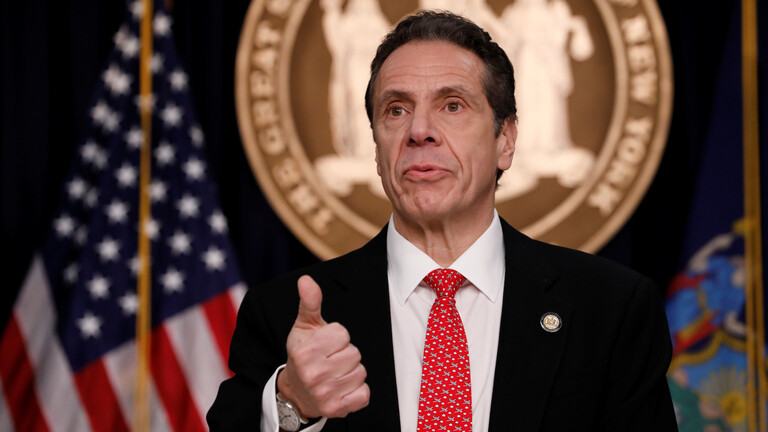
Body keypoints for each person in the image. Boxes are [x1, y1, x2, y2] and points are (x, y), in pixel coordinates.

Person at [208, 10, 677, 432]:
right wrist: (291, 404)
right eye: (396, 110)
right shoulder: (283, 314)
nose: (419, 131)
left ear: (506, 141)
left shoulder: (611, 309)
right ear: (377, 148)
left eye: (452, 105)